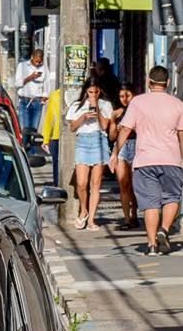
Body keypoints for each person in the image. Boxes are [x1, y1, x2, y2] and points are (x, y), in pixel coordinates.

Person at [113, 65, 183, 256]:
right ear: (168, 83)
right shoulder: (177, 104)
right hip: (171, 159)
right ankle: (165, 229)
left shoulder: (137, 103)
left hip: (144, 160)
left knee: (150, 203)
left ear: (148, 82)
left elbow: (125, 130)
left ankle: (152, 245)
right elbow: (181, 135)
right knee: (172, 198)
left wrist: (115, 153)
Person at [67, 80, 114, 229]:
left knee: (96, 183)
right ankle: (84, 211)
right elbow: (72, 127)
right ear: (85, 91)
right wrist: (83, 116)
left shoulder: (105, 105)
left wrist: (98, 110)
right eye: (90, 92)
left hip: (99, 140)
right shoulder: (77, 105)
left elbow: (105, 126)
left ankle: (92, 219)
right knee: (81, 183)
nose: (93, 95)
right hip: (83, 141)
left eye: (96, 92)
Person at [109, 83, 140, 229]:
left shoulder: (138, 111)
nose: (124, 99)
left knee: (135, 185)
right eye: (121, 96)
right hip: (121, 147)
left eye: (127, 95)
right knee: (123, 184)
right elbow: (112, 136)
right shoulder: (117, 112)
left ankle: (135, 214)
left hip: (136, 145)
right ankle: (127, 219)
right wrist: (114, 122)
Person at [14, 48, 51, 148]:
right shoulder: (22, 66)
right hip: (24, 100)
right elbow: (17, 84)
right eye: (36, 61)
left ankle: (30, 149)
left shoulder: (44, 68)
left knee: (33, 129)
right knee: (25, 129)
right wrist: (30, 77)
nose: (38, 64)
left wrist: (44, 97)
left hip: (37, 101)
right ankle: (24, 149)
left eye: (40, 61)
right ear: (32, 57)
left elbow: (47, 83)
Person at [39, 85, 65, 188]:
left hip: (76, 136)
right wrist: (45, 139)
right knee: (56, 164)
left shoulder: (82, 95)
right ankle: (57, 187)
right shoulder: (55, 95)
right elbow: (49, 118)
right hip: (56, 136)